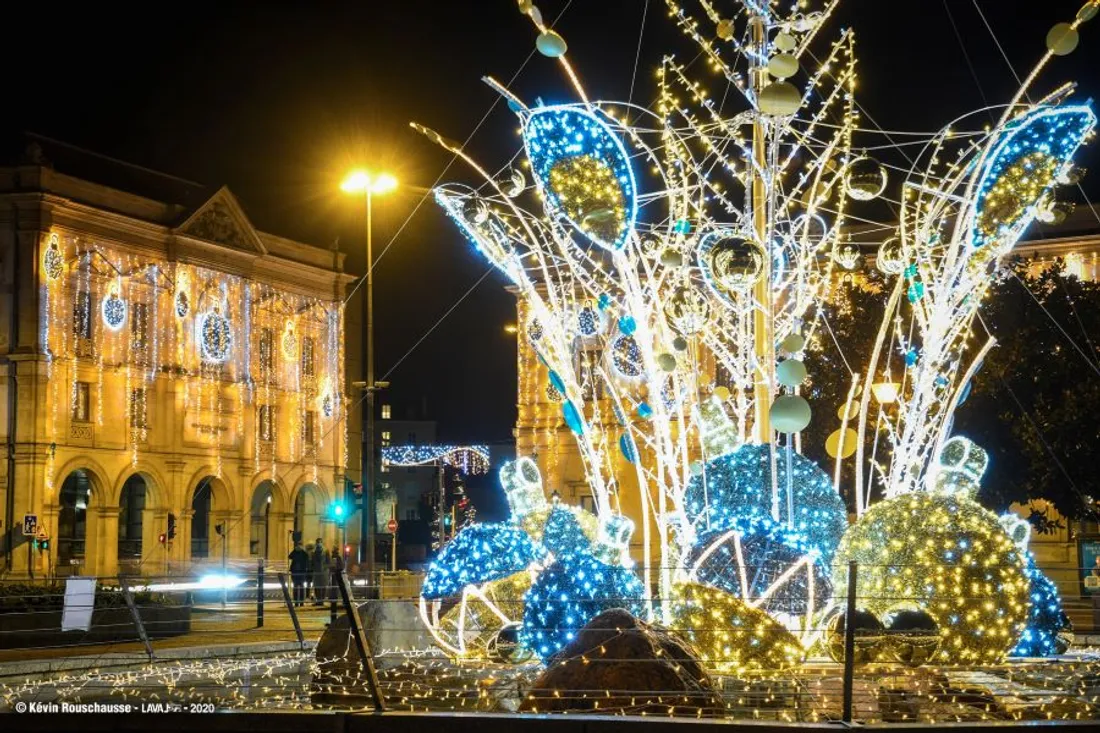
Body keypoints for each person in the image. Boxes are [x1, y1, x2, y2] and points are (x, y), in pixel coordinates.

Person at [288, 541, 310, 607]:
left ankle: (299, 602)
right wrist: (295, 550)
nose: (299, 547)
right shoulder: (298, 552)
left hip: (299, 572)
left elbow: (306, 559)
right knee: (298, 588)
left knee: (299, 588)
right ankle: (298, 602)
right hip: (297, 572)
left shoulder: (303, 553)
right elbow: (289, 556)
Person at [311, 538, 330, 605]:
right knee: (317, 586)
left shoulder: (325, 551)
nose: (319, 543)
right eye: (318, 542)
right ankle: (319, 600)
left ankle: (321, 600)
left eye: (320, 542)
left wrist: (325, 568)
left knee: (323, 586)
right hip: (317, 571)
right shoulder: (313, 552)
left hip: (323, 572)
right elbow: (312, 562)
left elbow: (328, 561)